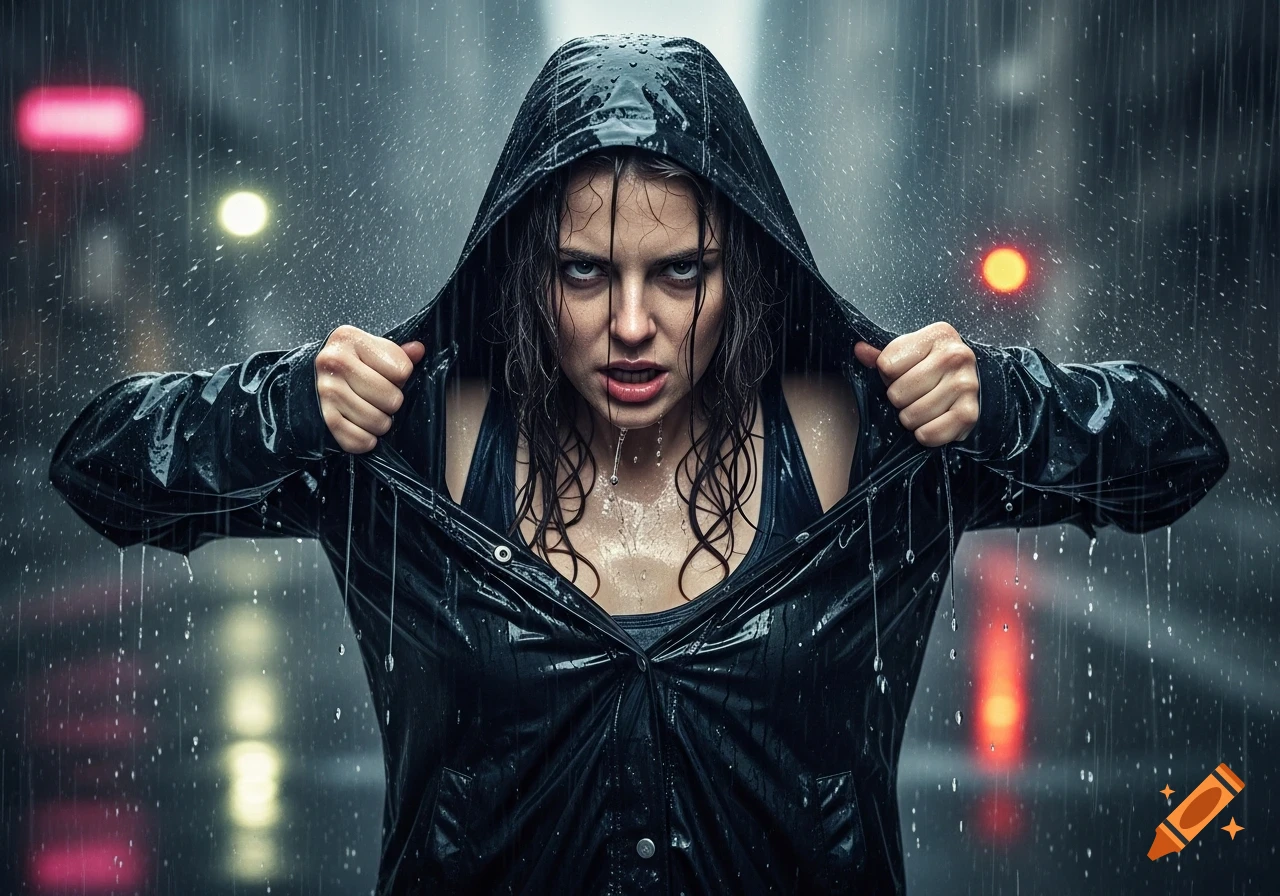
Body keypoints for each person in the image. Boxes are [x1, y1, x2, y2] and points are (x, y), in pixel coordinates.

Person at [48, 35, 1229, 895]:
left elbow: (1176, 451)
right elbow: (100, 465)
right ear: (526, 268)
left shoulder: (876, 444)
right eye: (583, 272)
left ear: (740, 268)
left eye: (677, 272)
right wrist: (279, 406)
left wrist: (1006, 400)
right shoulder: (401, 442)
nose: (629, 323)